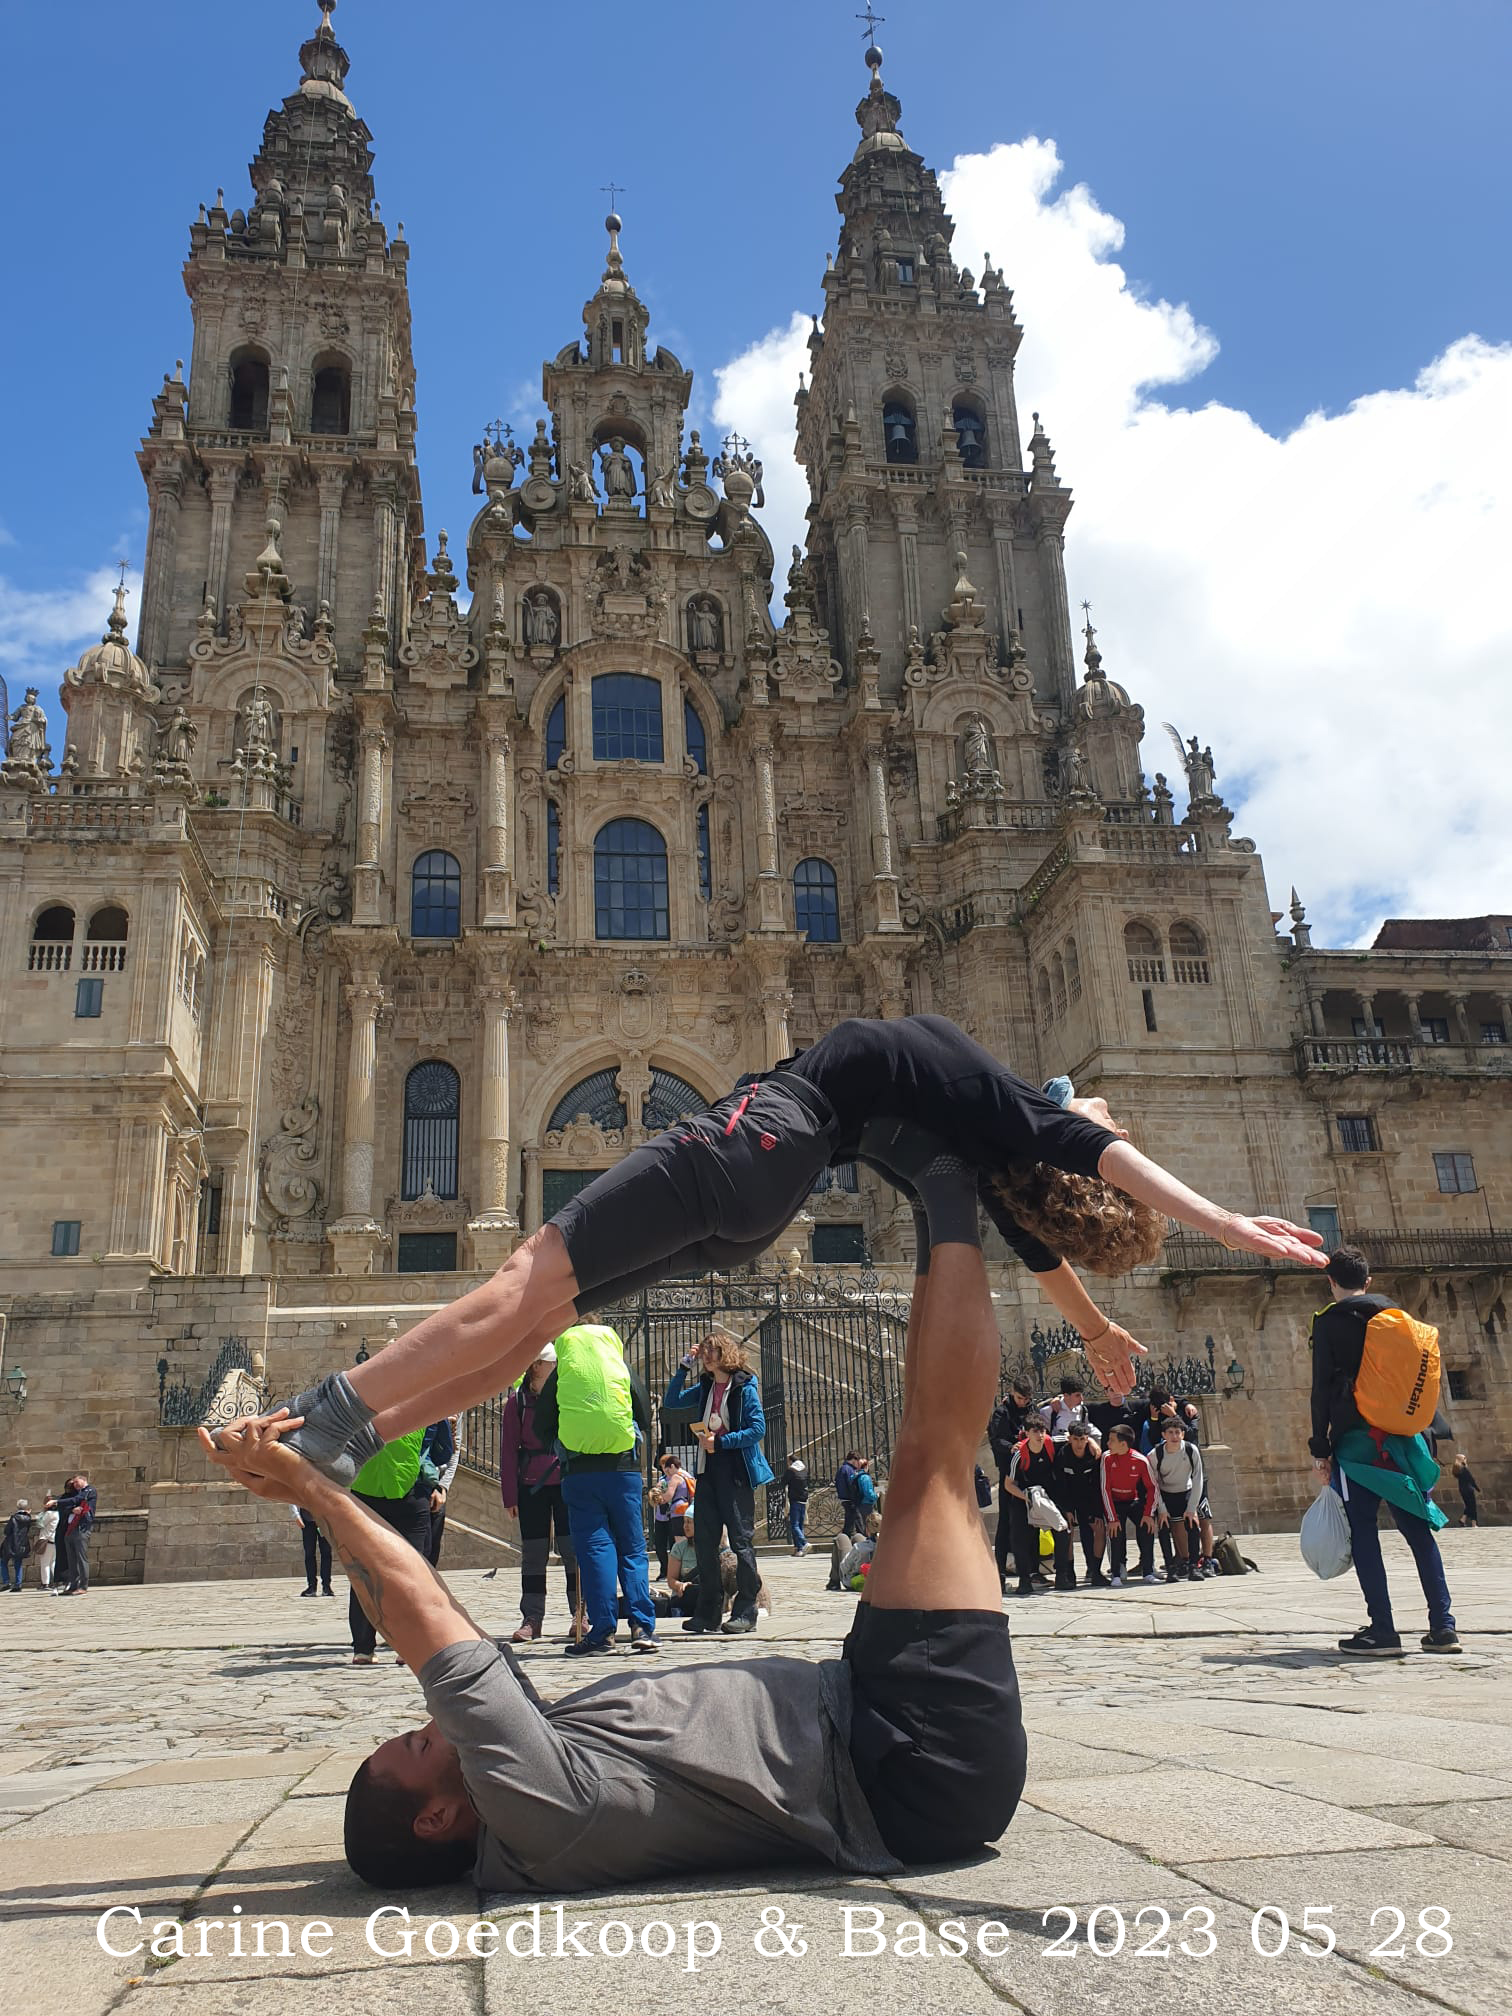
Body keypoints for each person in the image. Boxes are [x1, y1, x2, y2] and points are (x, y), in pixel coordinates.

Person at [200, 1133, 1029, 1896]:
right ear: (436, 1820)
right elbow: (426, 1631)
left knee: (925, 1444)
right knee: (936, 1459)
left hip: (868, 1715)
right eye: (418, 1745)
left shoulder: (535, 1790)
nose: (429, 1723)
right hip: (909, 1757)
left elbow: (433, 1608)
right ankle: (951, 1177)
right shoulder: (536, 1811)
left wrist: (322, 1492)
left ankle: (937, 1193)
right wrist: (314, 1488)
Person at [245, 1016, 1323, 1491]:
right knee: (539, 1324)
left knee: (524, 1278)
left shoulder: (1008, 1111)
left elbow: (1090, 1149)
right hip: (762, 1201)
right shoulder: (981, 1147)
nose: (1101, 1108)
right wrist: (1094, 1330)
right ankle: (365, 1436)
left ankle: (332, 1410)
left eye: (1104, 1120)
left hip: (753, 1138)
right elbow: (1037, 1245)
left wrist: (1225, 1224)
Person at [1308, 1245, 1461, 1656]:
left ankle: (1383, 1629)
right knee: (1418, 1534)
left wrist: (1320, 1447)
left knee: (1364, 1534)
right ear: (1368, 1281)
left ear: (1331, 1281)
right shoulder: (1396, 1315)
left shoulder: (1329, 1321)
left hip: (1357, 1444)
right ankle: (1443, 1626)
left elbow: (1321, 1388)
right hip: (1405, 1440)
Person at [533, 1325, 657, 1656]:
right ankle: (642, 1627)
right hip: (623, 1469)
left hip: (580, 1473)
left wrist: (561, 1445)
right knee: (632, 1548)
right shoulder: (619, 1365)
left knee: (595, 1549)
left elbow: (541, 1425)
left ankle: (602, 1632)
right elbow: (644, 1413)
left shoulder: (564, 1372)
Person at [662, 1328, 772, 1637]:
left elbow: (757, 1429)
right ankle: (708, 1612)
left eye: (712, 1350)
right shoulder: (705, 1387)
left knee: (740, 1541)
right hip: (707, 1472)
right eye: (704, 1351)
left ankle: (746, 1610)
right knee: (705, 1542)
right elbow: (671, 1402)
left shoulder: (744, 1387)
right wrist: (683, 1366)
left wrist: (721, 1442)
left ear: (726, 1353)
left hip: (734, 1472)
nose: (706, 1355)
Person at [498, 1344, 580, 1643]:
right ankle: (532, 1618)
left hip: (566, 1481)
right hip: (532, 1484)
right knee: (533, 1555)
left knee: (573, 1551)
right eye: (551, 1363)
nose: (556, 1366)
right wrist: (510, 1494)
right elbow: (508, 1450)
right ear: (536, 1365)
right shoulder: (516, 1403)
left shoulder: (566, 1396)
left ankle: (580, 1612)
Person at [347, 1430, 434, 1665]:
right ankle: (364, 1646)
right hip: (368, 1493)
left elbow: (442, 1448)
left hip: (407, 1493)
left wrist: (432, 1483)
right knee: (365, 1571)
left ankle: (408, 1644)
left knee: (411, 1573)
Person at [1003, 1419, 1073, 1596]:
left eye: (1042, 1431)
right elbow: (1008, 1484)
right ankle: (1024, 1580)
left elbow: (1071, 1437)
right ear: (1026, 1433)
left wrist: (1094, 1445)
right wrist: (1027, 1498)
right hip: (1024, 1498)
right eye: (1035, 1431)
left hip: (1047, 1497)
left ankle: (1062, 1576)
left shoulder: (1050, 1443)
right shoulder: (1019, 1454)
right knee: (1020, 1539)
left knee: (1062, 1530)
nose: (1040, 1435)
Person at [988, 1381, 1035, 1590]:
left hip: (1029, 1470)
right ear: (1012, 1393)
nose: (1023, 1402)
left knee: (1031, 1523)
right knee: (1006, 1523)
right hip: (1009, 1471)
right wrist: (1012, 1447)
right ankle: (999, 1572)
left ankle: (1032, 1570)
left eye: (1026, 1399)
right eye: (1019, 1398)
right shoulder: (1002, 1413)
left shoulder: (1031, 1410)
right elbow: (996, 1440)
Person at [1149, 1415, 1206, 1581]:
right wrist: (1162, 1509)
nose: (1174, 1436)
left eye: (1177, 1432)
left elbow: (1198, 1478)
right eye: (1170, 1432)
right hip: (1165, 1494)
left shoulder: (1191, 1450)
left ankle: (1194, 1566)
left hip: (1186, 1491)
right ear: (1164, 1435)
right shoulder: (1155, 1454)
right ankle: (1171, 1567)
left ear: (1183, 1434)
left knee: (1193, 1526)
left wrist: (1192, 1508)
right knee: (1164, 1528)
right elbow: (1154, 1484)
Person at [1099, 1424, 1158, 1586]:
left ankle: (1148, 1570)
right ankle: (1117, 1572)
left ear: (1123, 1444)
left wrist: (1148, 1514)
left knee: (1147, 1527)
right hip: (1115, 1502)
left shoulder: (1141, 1460)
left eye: (1111, 1440)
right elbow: (1105, 1489)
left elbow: (1152, 1487)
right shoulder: (1106, 1457)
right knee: (1116, 1532)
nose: (1108, 1444)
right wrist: (1112, 1518)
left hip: (1133, 1500)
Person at [1052, 1422, 1107, 1587]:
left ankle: (1095, 1571)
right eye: (1076, 1439)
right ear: (1069, 1439)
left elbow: (1097, 1484)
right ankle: (1069, 1572)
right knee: (1067, 1531)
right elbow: (1059, 1486)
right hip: (1068, 1499)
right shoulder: (1062, 1455)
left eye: (1082, 1439)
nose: (1079, 1443)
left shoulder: (1094, 1455)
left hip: (1088, 1499)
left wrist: (1097, 1511)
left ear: (1087, 1439)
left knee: (1098, 1529)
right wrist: (1066, 1510)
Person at [422, 1415, 461, 1566]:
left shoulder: (458, 1407)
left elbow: (455, 1449)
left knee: (431, 1550)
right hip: (417, 1481)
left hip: (436, 1482)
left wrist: (442, 1487)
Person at [649, 1450, 695, 1578]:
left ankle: (680, 1572)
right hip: (688, 1511)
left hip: (677, 1512)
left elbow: (668, 1496)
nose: (666, 1472)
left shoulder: (675, 1477)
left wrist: (658, 1499)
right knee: (688, 1541)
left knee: (680, 1544)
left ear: (673, 1466)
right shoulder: (688, 1476)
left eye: (667, 1469)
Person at [49, 1474, 96, 1595]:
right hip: (70, 1528)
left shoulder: (89, 1491)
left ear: (83, 1480)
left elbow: (76, 1500)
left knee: (81, 1558)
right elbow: (68, 1506)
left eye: (76, 1482)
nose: (74, 1485)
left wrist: (57, 1501)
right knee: (71, 1559)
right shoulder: (78, 1493)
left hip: (81, 1528)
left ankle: (83, 1586)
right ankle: (73, 1585)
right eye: (73, 1483)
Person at [665, 1512, 701, 1615]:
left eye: (689, 1522)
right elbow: (671, 1579)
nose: (685, 1526)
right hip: (685, 1596)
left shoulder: (714, 1547)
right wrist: (680, 1586)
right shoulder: (679, 1547)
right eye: (684, 1522)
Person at [297, 1505, 334, 1597]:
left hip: (324, 1520)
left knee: (326, 1552)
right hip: (307, 1520)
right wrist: (296, 1515)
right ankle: (312, 1586)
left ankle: (326, 1586)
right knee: (309, 1553)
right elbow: (294, 1499)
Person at [1, 1499, 33, 1591]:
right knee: (18, 1564)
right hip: (22, 1543)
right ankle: (18, 1584)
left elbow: (7, 1531)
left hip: (11, 1544)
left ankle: (6, 1582)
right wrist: (28, 1514)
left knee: (3, 1562)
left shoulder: (14, 1518)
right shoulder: (28, 1518)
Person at [783, 1455, 811, 1555]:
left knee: (794, 1525)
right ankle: (799, 1549)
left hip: (794, 1500)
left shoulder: (791, 1470)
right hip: (803, 1500)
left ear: (791, 1461)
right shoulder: (804, 1469)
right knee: (800, 1525)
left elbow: (783, 1481)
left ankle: (804, 1542)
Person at [835, 1451, 862, 1539]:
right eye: (857, 1461)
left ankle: (846, 1536)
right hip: (850, 1498)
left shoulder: (843, 1469)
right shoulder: (849, 1469)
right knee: (856, 1519)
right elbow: (852, 1485)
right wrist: (855, 1497)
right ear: (854, 1460)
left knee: (851, 1520)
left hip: (846, 1498)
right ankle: (861, 1536)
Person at [33, 1501, 59, 1591]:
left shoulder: (49, 1514)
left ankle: (45, 1583)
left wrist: (43, 1511)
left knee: (45, 1563)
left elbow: (40, 1523)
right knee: (53, 1562)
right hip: (54, 1539)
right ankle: (57, 1581)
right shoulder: (58, 1514)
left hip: (46, 1540)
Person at [1453, 1453, 1479, 1527]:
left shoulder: (1456, 1469)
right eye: (1464, 1458)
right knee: (1472, 1506)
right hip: (1468, 1489)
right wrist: (1477, 1488)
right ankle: (1474, 1523)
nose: (1466, 1459)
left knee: (1468, 1505)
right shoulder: (1464, 1469)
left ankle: (1463, 1519)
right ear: (1462, 1460)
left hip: (1462, 1489)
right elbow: (1471, 1479)